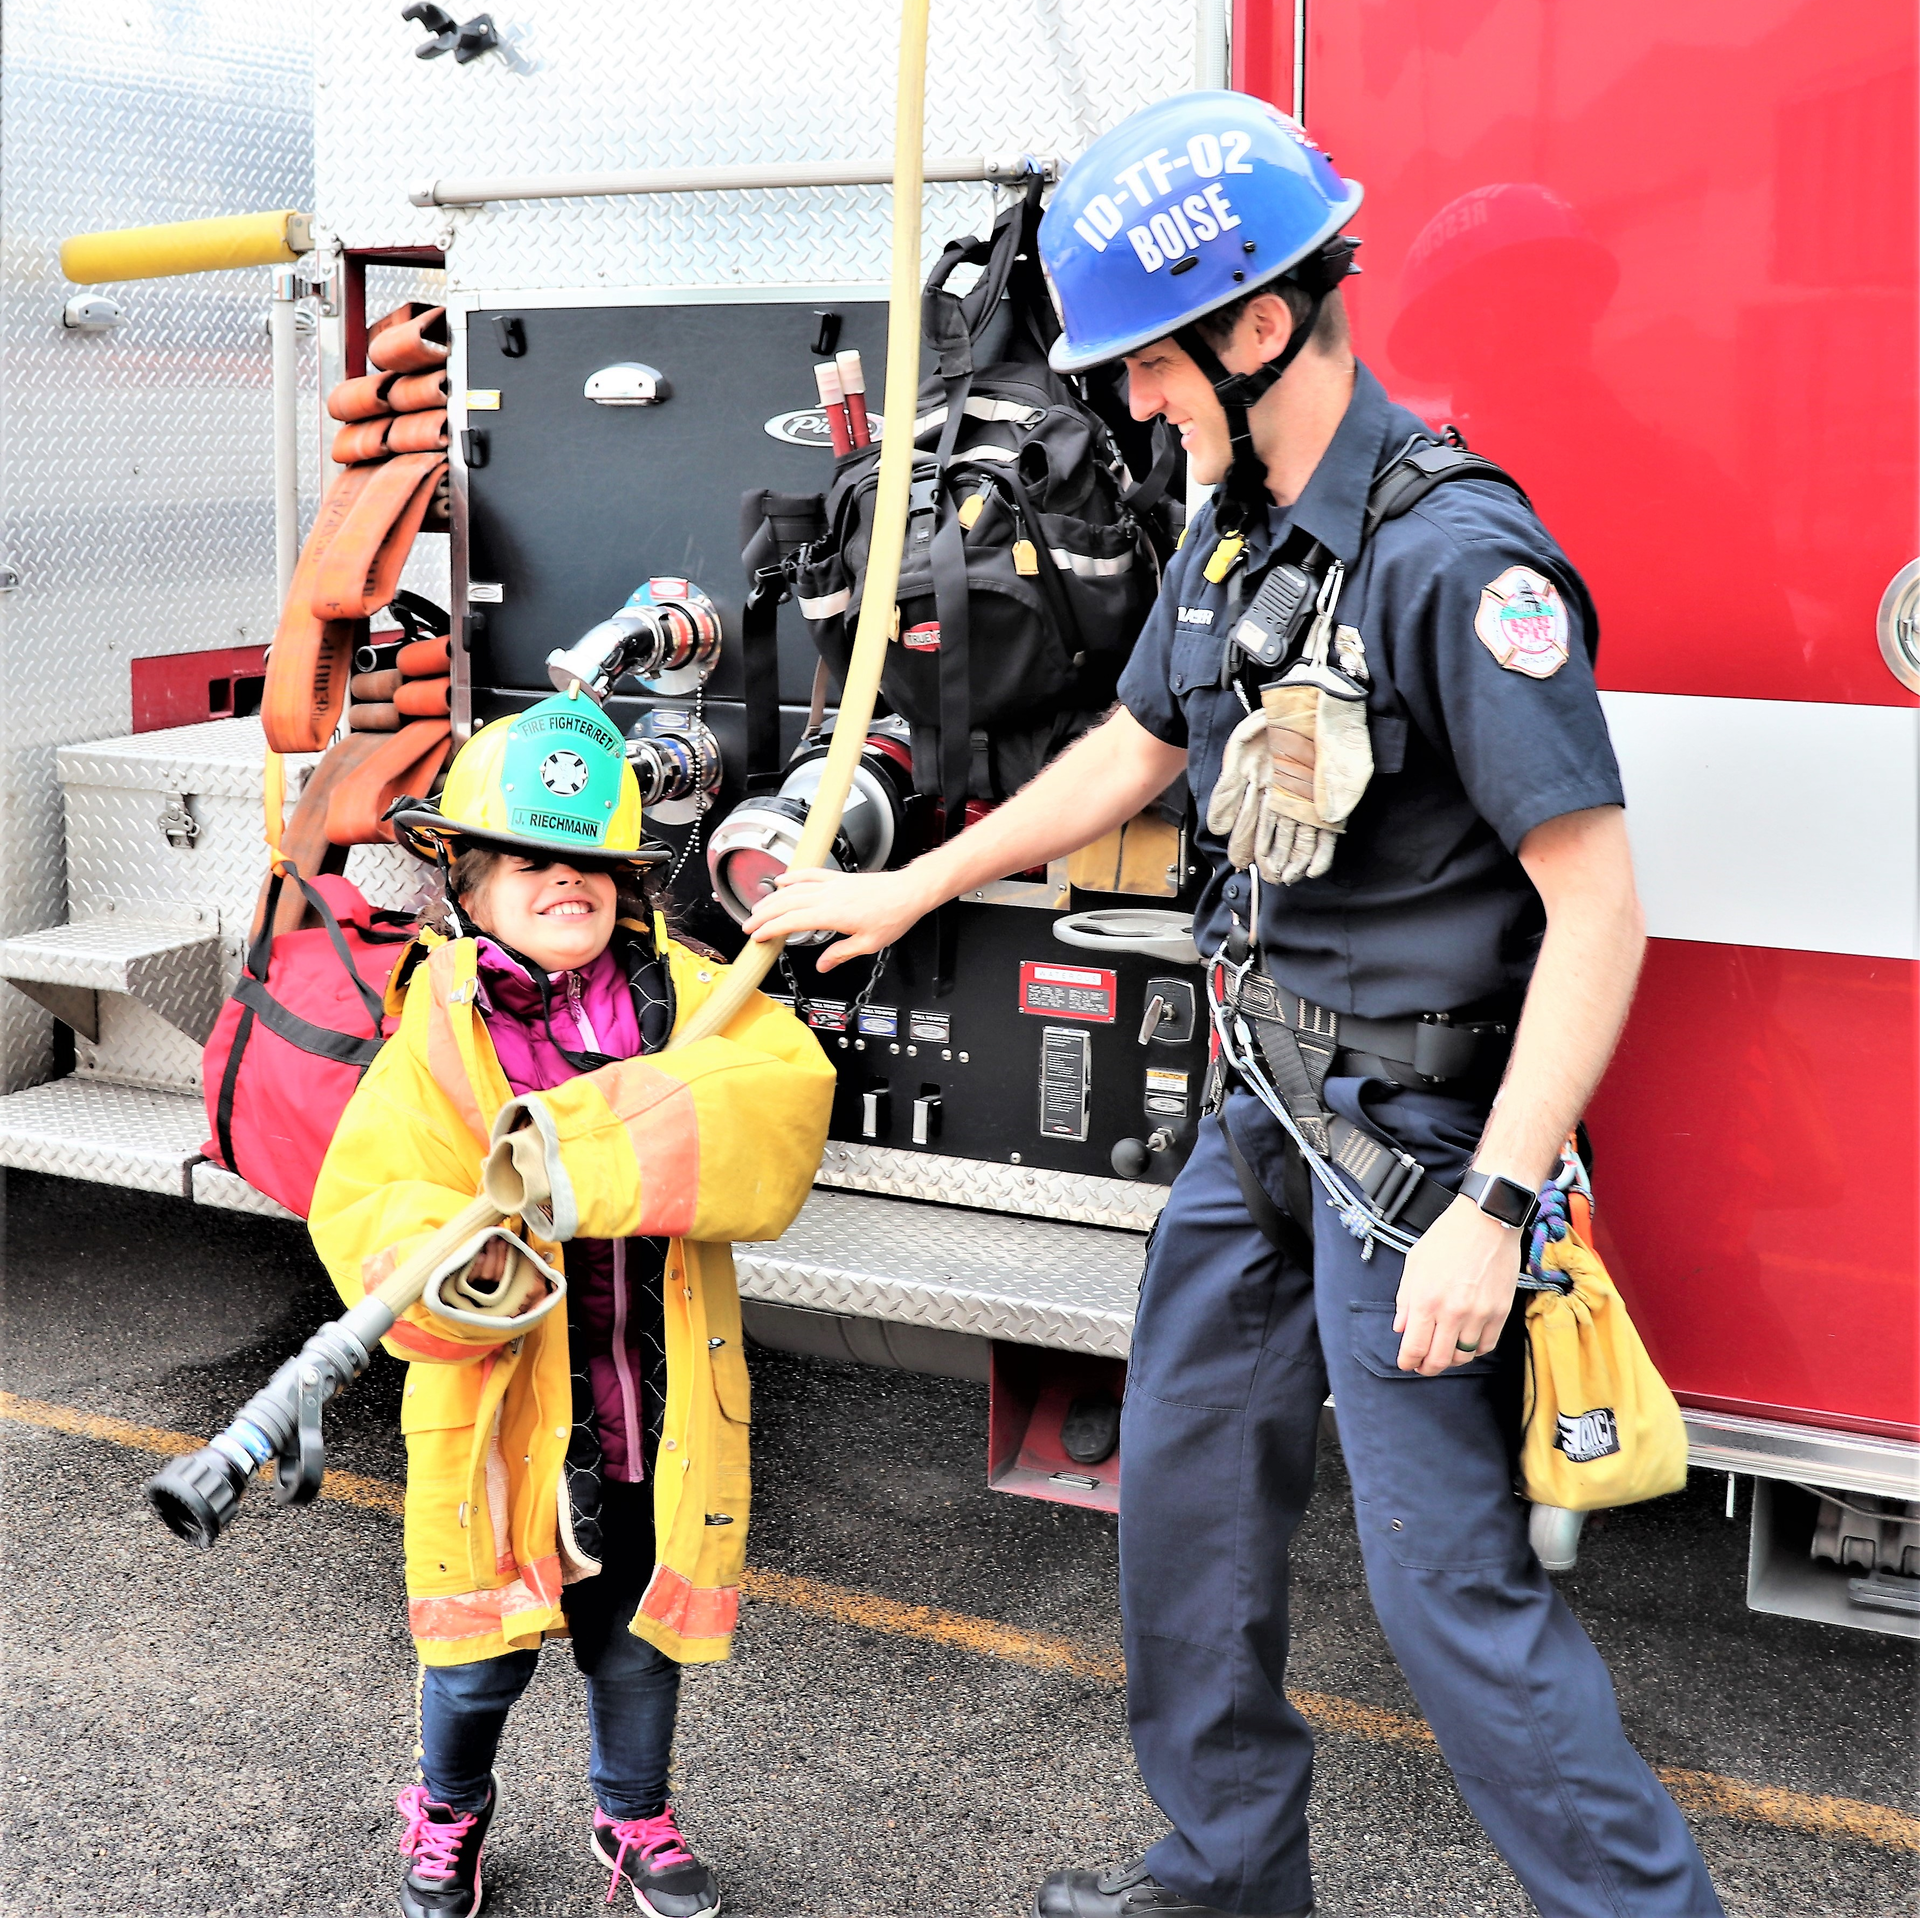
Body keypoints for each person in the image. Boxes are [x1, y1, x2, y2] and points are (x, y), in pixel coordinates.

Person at [744, 91, 1725, 1918]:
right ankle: (1226, 1874)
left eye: (1145, 368)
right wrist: (909, 880)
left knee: (1453, 1607)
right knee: (1185, 1523)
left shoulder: (1454, 560)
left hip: (1415, 1156)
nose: (1126, 404)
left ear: (1255, 326)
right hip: (1259, 1117)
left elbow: (1600, 908)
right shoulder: (1233, 529)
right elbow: (1139, 739)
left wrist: (1497, 1213)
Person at [309, 689, 834, 1918]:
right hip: (501, 1417)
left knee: (636, 1641)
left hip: (648, 1410)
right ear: (469, 886)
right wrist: (454, 1259)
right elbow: (368, 1199)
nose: (568, 880)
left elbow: (776, 1105)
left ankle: (633, 1814)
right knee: (476, 1652)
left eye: (592, 863)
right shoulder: (437, 1027)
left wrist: (571, 1152)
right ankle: (446, 1812)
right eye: (533, 860)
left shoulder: (702, 998)